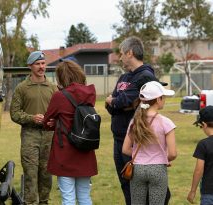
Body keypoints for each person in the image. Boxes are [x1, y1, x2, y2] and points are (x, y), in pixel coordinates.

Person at [105, 36, 169, 205]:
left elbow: (122, 101)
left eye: (121, 54)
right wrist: (115, 102)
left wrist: (116, 101)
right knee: (125, 182)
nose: (120, 58)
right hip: (119, 140)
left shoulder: (145, 76)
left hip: (137, 141)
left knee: (145, 188)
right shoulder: (123, 78)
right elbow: (113, 106)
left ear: (130, 53)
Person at [43, 60, 97, 205]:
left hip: (65, 153)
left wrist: (57, 123)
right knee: (85, 197)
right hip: (85, 150)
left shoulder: (59, 96)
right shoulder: (90, 94)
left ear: (61, 77)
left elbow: (46, 122)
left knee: (68, 198)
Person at [10, 51, 57, 205]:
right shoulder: (22, 88)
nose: (41, 67)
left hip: (49, 136)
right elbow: (14, 113)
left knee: (46, 173)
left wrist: (54, 121)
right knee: (30, 172)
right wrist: (31, 118)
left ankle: (44, 202)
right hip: (30, 135)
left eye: (43, 63)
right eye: (37, 64)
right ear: (30, 66)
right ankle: (30, 203)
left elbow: (59, 112)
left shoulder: (53, 88)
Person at [122, 81, 177, 204]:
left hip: (138, 169)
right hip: (158, 170)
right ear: (158, 99)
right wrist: (162, 157)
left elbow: (125, 149)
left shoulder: (134, 122)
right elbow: (173, 154)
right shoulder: (166, 122)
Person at [187, 106, 213, 205]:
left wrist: (193, 191)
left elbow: (199, 170)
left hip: (209, 192)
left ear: (204, 124)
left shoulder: (203, 144)